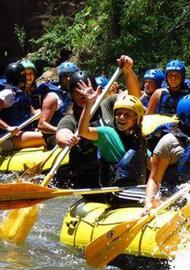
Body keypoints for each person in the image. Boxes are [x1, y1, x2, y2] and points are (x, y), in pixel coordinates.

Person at [55, 55, 141, 188]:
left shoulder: (109, 104)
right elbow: (62, 134)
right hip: (88, 175)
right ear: (72, 94)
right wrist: (67, 139)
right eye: (77, 91)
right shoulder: (70, 119)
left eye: (86, 89)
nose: (82, 94)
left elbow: (134, 97)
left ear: (96, 90)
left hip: (117, 168)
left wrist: (128, 72)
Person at [145, 93, 190, 210]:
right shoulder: (169, 141)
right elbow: (154, 179)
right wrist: (149, 202)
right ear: (185, 117)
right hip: (174, 202)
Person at [0, 62, 44, 152]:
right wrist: (7, 127)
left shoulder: (21, 94)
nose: (26, 78)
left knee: (49, 133)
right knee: (46, 137)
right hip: (7, 137)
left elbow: (35, 114)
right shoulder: (7, 93)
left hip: (21, 134)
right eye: (24, 76)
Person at [38, 61, 79, 148]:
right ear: (60, 78)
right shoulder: (53, 96)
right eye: (65, 76)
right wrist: (62, 130)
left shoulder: (77, 94)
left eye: (71, 76)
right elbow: (41, 125)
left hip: (74, 132)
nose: (68, 79)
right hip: (54, 136)